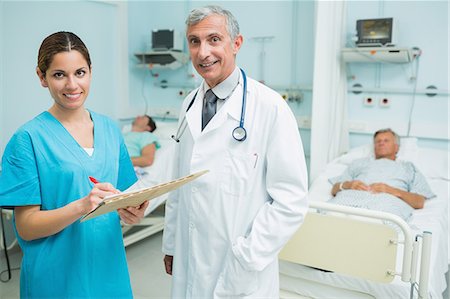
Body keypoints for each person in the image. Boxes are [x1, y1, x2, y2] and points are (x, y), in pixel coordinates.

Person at [162, 5, 308, 298]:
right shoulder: (189, 105)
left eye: (214, 39)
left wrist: (246, 258)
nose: (203, 52)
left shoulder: (270, 107)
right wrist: (171, 244)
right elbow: (180, 184)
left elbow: (290, 201)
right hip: (189, 256)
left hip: (239, 266)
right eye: (194, 41)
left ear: (236, 43)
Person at [0, 31, 148, 298]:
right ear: (41, 77)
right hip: (57, 279)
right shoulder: (27, 139)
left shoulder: (110, 130)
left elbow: (123, 200)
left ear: (90, 71)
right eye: (59, 74)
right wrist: (82, 205)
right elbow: (26, 226)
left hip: (108, 270)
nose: (72, 85)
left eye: (80, 72)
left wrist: (133, 212)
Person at [329, 128, 434, 220]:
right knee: (329, 214)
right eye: (378, 141)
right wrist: (347, 185)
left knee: (379, 226)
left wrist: (392, 191)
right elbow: (334, 189)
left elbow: (419, 202)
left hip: (387, 205)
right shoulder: (359, 163)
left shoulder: (408, 168)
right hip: (349, 200)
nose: (381, 143)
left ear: (396, 147)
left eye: (386, 140)